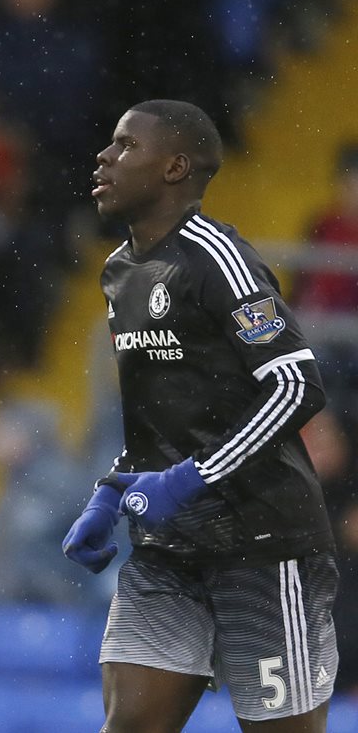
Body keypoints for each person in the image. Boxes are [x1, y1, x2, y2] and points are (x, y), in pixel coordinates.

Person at [62, 99, 337, 732]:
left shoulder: (215, 255)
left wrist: (190, 478)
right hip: (169, 555)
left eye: (127, 145)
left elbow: (298, 385)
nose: (105, 156)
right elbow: (162, 416)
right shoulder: (118, 273)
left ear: (175, 167)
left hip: (267, 548)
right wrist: (110, 491)